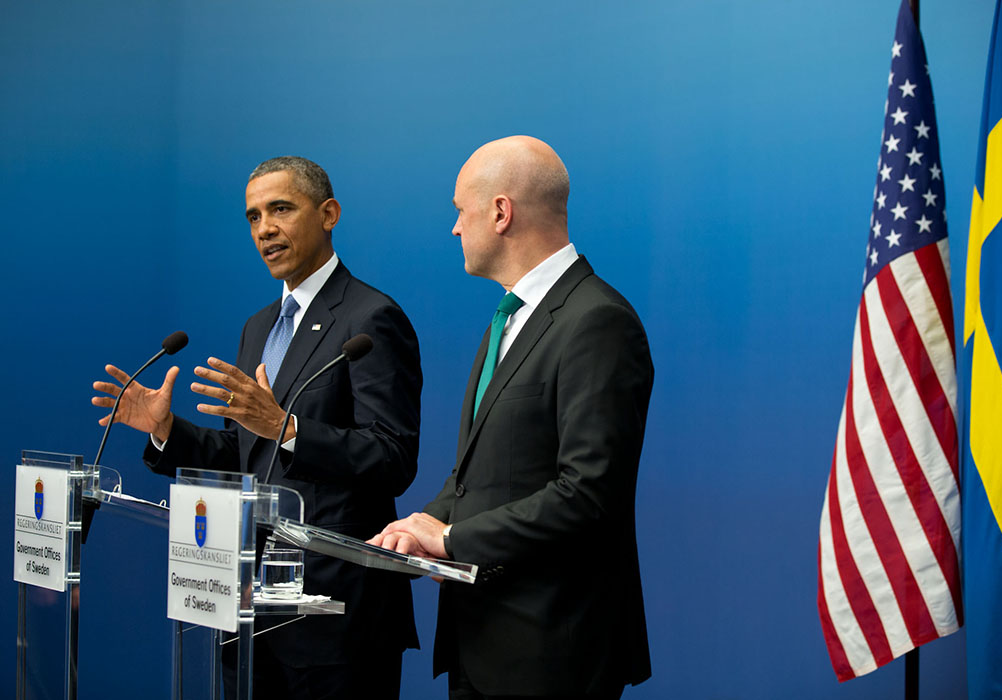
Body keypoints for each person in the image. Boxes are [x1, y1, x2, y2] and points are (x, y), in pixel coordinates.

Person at [92, 156, 421, 700]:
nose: (264, 228)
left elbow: (391, 458)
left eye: (281, 209)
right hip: (247, 604)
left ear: (328, 214)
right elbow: (246, 454)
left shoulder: (370, 319)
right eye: (252, 217)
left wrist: (286, 427)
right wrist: (165, 429)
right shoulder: (260, 325)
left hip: (334, 617)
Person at [369, 136, 653, 700]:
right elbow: (480, 472)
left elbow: (589, 495)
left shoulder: (598, 321)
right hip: (480, 639)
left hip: (552, 655)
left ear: (501, 212)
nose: (454, 228)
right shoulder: (510, 318)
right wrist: (418, 530)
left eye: (459, 210)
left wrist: (451, 539)